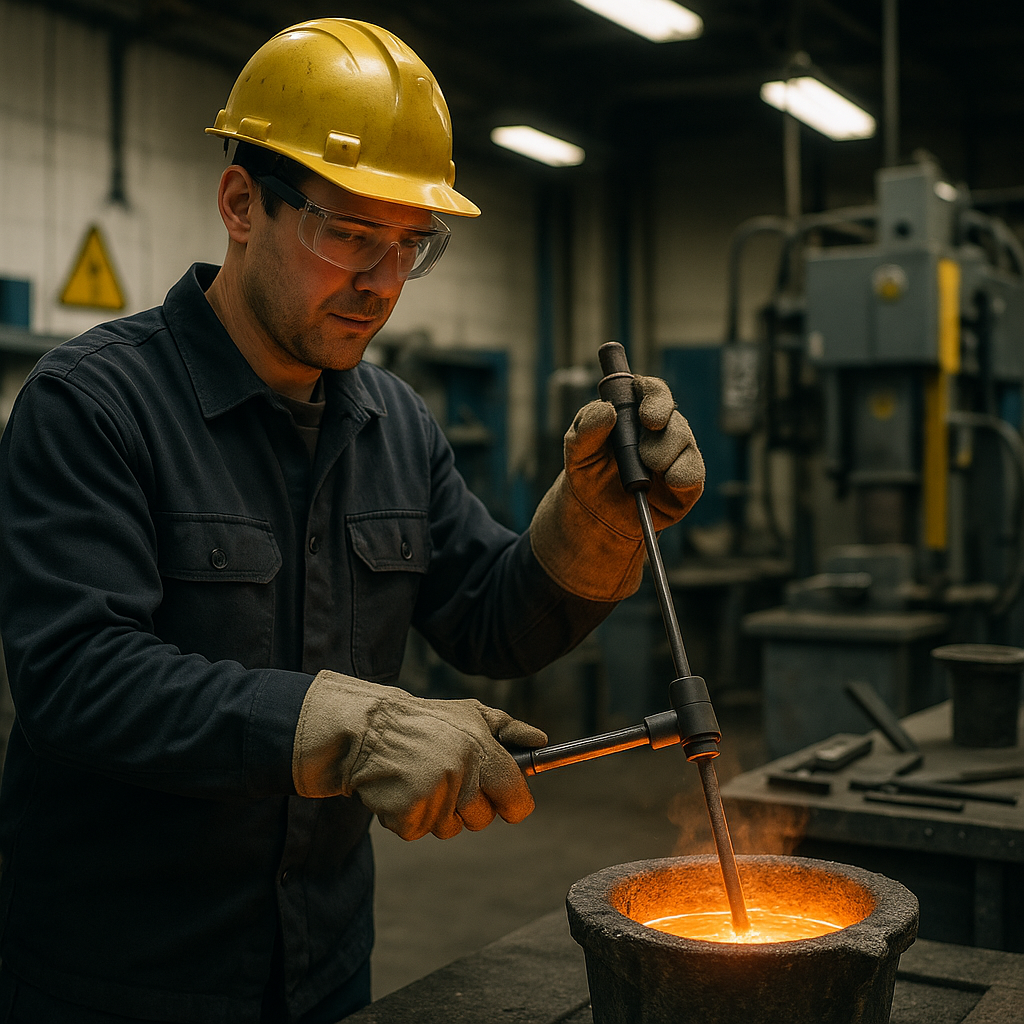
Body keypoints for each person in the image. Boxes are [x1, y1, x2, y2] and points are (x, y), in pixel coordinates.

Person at [0, 18, 704, 1024]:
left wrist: (593, 523)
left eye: (410, 245)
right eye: (349, 235)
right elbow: (78, 676)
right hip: (121, 978)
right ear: (241, 203)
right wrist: (349, 723)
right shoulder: (95, 405)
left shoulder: (393, 422)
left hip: (325, 968)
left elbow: (489, 621)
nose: (380, 283)